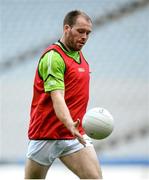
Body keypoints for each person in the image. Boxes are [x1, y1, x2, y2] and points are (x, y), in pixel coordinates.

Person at [25, 10, 102, 179]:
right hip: (47, 134)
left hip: (74, 134)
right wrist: (69, 123)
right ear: (67, 28)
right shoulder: (54, 57)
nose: (84, 37)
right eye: (80, 31)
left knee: (95, 178)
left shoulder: (79, 56)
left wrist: (74, 128)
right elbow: (57, 96)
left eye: (88, 33)